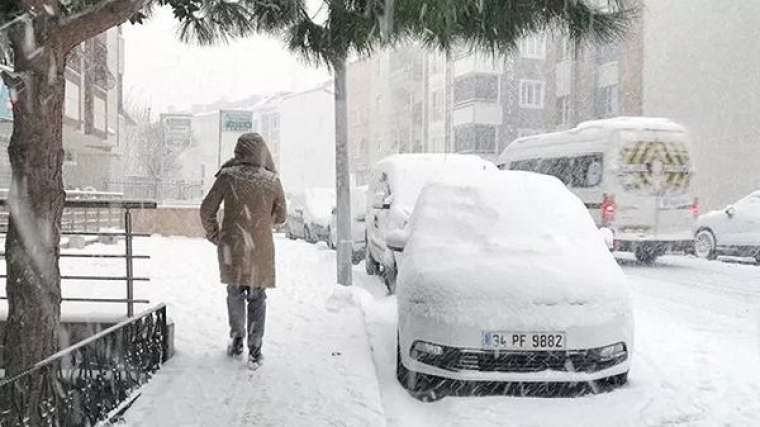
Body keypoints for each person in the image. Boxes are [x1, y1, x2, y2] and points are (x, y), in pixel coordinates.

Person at [200, 133, 287, 369]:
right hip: (260, 249)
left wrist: (216, 235)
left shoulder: (228, 177)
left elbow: (206, 210)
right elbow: (281, 217)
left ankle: (237, 338)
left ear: (238, 150)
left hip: (234, 247)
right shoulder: (271, 180)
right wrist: (262, 220)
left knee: (235, 293)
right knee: (257, 297)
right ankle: (255, 349)